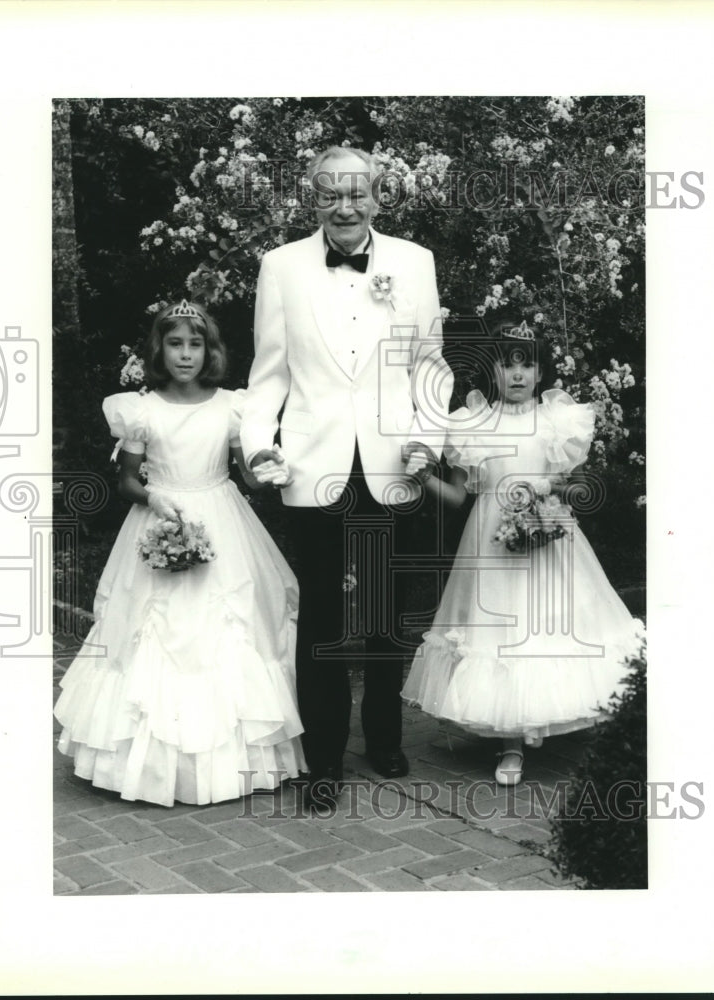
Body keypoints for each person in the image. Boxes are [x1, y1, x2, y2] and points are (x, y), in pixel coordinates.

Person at [240, 146, 452, 810]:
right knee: (324, 620)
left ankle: (385, 738)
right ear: (314, 198)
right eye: (330, 193)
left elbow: (431, 367)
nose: (344, 205)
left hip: (393, 463)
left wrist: (430, 438)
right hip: (314, 464)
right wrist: (258, 446)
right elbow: (268, 371)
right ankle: (324, 758)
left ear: (377, 197)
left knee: (387, 613)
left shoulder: (415, 262)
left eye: (356, 193)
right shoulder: (281, 266)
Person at [54, 300, 305, 807]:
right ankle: (145, 766)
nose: (185, 354)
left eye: (195, 344)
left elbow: (249, 477)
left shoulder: (232, 406)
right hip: (160, 515)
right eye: (175, 344)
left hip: (221, 516)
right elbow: (125, 479)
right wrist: (153, 498)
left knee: (233, 622)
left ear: (209, 350)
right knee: (151, 628)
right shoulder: (141, 409)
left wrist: (272, 469)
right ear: (159, 349)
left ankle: (238, 758)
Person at [401, 317, 644, 785]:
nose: (516, 375)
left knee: (555, 628)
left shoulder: (556, 421)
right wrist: (422, 479)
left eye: (526, 366)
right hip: (489, 540)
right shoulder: (472, 423)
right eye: (506, 364)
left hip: (547, 535)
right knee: (502, 633)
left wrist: (552, 488)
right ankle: (510, 742)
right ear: (491, 371)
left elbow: (575, 489)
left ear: (539, 372)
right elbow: (457, 497)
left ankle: (571, 717)